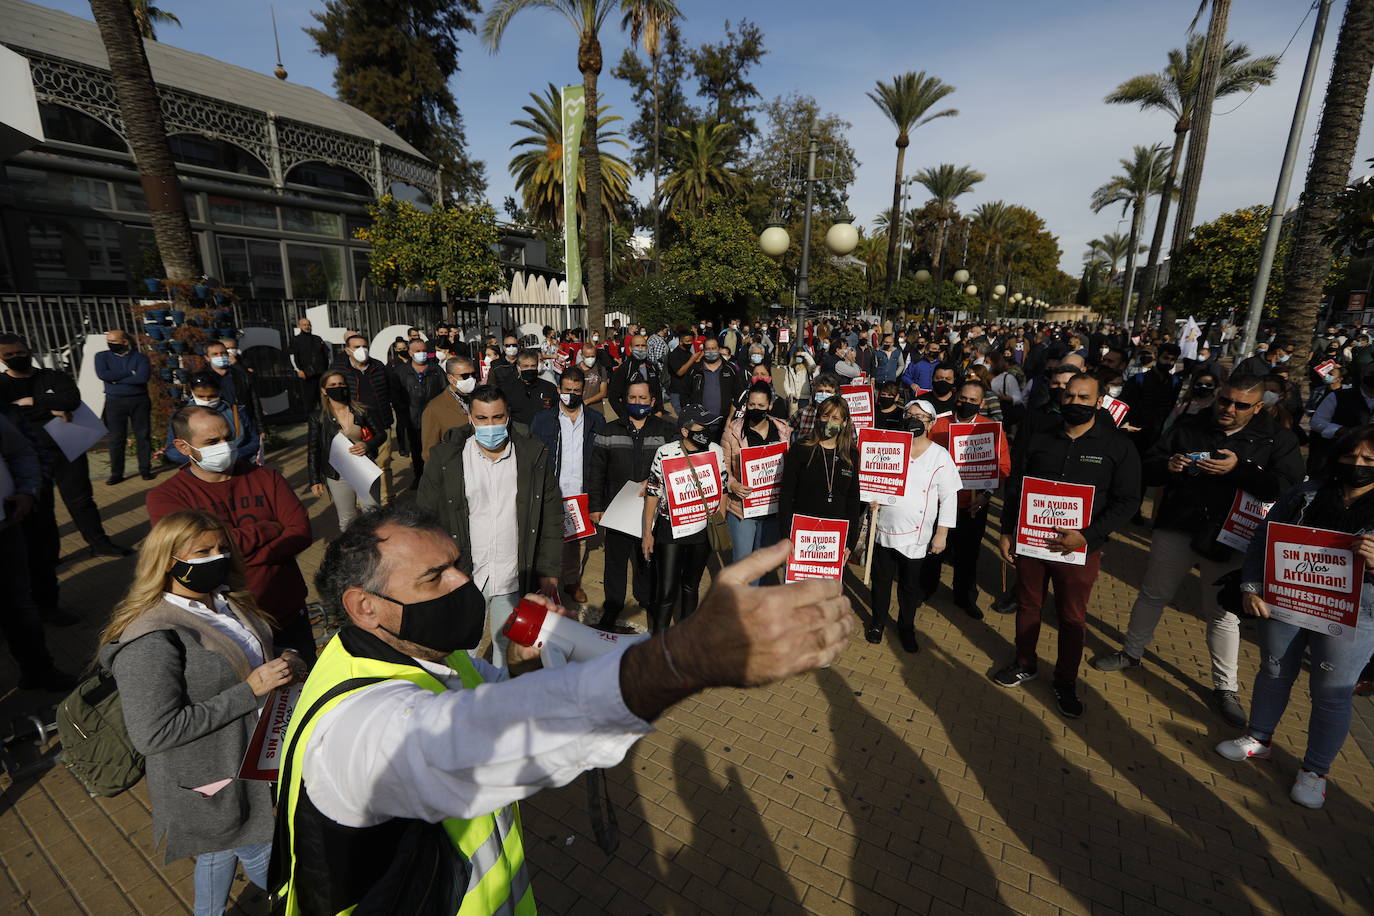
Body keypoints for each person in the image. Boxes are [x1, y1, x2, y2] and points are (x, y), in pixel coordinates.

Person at [270, 505, 851, 915]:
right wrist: (683, 661)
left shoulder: (432, 654)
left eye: (458, 563)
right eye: (435, 577)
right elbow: (473, 736)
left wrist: (524, 668)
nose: (465, 582)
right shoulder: (352, 728)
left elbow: (490, 697)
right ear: (366, 607)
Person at [101, 510, 305, 916]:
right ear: (168, 560)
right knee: (276, 868)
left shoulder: (224, 602)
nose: (218, 558)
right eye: (203, 551)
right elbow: (153, 733)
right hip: (214, 780)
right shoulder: (152, 637)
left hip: (251, 762)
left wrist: (286, 661)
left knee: (219, 852)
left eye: (223, 548)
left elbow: (246, 661)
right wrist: (251, 690)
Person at [1090, 376, 1304, 726]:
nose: (1228, 409)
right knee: (1153, 593)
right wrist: (1169, 466)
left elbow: (1287, 488)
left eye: (1240, 405)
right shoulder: (1191, 424)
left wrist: (1241, 470)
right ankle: (1131, 652)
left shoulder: (1277, 438)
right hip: (1179, 523)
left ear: (1259, 407)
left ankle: (1225, 687)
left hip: (1232, 536)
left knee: (1222, 613)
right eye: (1224, 401)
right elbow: (1150, 464)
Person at [1215, 426, 1374, 810]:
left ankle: (1315, 770)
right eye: (1351, 456)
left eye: (1369, 460)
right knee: (1273, 671)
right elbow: (1262, 536)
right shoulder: (1308, 493)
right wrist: (1251, 586)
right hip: (1287, 599)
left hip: (1355, 612)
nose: (1358, 465)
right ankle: (1259, 738)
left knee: (1331, 694)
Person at [994, 373, 1141, 717]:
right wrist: (1007, 530)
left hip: (1079, 550)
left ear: (1099, 401)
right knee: (1029, 606)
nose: (1074, 403)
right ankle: (1025, 662)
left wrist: (1088, 536)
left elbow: (1128, 501)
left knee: (1072, 617)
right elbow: (1017, 486)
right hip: (1032, 543)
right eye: (1070, 396)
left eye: (1084, 398)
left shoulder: (1118, 446)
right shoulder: (1042, 437)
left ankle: (1065, 681)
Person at [148, 406, 316, 659]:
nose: (225, 446)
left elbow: (300, 532)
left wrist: (229, 556)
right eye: (212, 441)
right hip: (223, 627)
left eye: (228, 437)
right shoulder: (166, 497)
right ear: (184, 448)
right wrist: (268, 529)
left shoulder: (267, 477)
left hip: (286, 613)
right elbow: (191, 552)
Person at [418, 386, 561, 670]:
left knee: (506, 645)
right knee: (462, 647)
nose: (491, 426)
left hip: (512, 571)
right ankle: (465, 705)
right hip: (465, 573)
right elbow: (424, 518)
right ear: (470, 418)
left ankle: (501, 701)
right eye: (482, 419)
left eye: (498, 417)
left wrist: (549, 570)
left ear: (508, 416)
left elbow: (551, 515)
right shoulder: (446, 458)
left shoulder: (532, 455)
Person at [0, 334, 131, 617]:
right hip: (30, 460)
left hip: (66, 447)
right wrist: (48, 406)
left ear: (29, 350)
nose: (15, 357)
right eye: (8, 355)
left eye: (19, 352)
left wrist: (30, 402)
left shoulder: (53, 376)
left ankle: (99, 543)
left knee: (81, 499)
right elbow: (9, 415)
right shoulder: (1, 385)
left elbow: (70, 399)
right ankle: (50, 562)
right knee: (41, 515)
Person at [869, 401, 960, 653]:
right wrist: (871, 497)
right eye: (910, 415)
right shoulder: (890, 447)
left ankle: (906, 627)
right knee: (881, 580)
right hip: (884, 528)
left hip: (917, 534)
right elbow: (874, 479)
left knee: (909, 587)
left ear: (931, 423)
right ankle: (877, 622)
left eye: (920, 416)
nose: (914, 419)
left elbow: (949, 496)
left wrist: (941, 534)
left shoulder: (940, 456)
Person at [586, 380, 675, 630]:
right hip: (617, 509)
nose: (638, 403)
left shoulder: (666, 430)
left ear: (652, 401)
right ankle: (612, 605)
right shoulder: (609, 430)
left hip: (653, 509)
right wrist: (595, 506)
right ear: (625, 400)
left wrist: (655, 481)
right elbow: (596, 471)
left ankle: (646, 599)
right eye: (633, 398)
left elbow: (673, 464)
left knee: (647, 557)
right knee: (615, 561)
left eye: (643, 398)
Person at [923, 381, 1012, 618]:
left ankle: (964, 596)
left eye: (973, 400)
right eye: (963, 398)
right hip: (938, 503)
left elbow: (1003, 467)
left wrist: (986, 495)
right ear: (956, 397)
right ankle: (926, 588)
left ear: (982, 403)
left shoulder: (992, 429)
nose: (967, 403)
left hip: (973, 504)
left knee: (968, 554)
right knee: (933, 551)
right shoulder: (939, 425)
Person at [0, 410, 74, 690]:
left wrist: (28, 490)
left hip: (5, 529)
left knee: (18, 605)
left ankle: (38, 672)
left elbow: (21, 452)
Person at [642, 405, 728, 633]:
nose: (708, 430)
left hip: (702, 530)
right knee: (667, 590)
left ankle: (685, 637)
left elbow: (724, 488)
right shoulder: (665, 452)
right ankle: (657, 644)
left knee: (691, 586)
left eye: (710, 426)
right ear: (685, 430)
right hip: (671, 529)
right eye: (703, 426)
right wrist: (647, 533)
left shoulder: (716, 451)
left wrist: (719, 521)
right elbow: (652, 493)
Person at [530, 366, 606, 606]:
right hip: (552, 492)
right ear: (558, 390)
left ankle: (571, 583)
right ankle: (546, 586)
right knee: (548, 541)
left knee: (575, 544)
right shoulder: (543, 420)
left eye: (576, 390)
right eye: (567, 390)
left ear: (583, 391)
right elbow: (533, 457)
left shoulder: (596, 420)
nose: (571, 394)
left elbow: (601, 460)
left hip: (580, 493)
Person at [777, 395, 864, 567]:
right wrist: (787, 536)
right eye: (825, 416)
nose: (829, 421)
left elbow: (853, 500)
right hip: (802, 532)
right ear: (818, 418)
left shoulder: (851, 455)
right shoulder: (801, 449)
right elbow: (787, 494)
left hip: (834, 537)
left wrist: (850, 542)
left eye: (835, 418)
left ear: (844, 422)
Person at [722, 382, 793, 578]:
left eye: (761, 406)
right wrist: (733, 484)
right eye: (752, 405)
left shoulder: (783, 431)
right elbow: (723, 467)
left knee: (764, 565)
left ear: (770, 406)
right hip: (742, 509)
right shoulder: (732, 432)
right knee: (743, 564)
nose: (756, 409)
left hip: (771, 508)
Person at [307, 370, 388, 530]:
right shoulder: (318, 417)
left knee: (373, 515)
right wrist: (314, 479)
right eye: (333, 385)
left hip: (364, 468)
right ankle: (352, 553)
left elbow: (381, 435)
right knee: (347, 520)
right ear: (324, 390)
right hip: (337, 475)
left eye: (341, 384)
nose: (338, 388)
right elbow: (313, 449)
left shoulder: (362, 410)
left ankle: (375, 552)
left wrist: (367, 445)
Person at [338, 333, 397, 504]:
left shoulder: (378, 366)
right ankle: (362, 501)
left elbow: (390, 390)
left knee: (383, 465)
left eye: (365, 346)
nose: (362, 350)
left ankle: (386, 502)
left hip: (381, 423)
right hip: (355, 425)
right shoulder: (342, 371)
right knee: (357, 466)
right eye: (357, 347)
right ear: (347, 350)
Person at [163, 372, 260, 466]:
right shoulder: (182, 416)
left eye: (212, 396)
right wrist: (203, 459)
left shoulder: (236, 412)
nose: (206, 400)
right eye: (200, 396)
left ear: (220, 391)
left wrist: (234, 455)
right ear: (192, 391)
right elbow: (172, 451)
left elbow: (254, 441)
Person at [96, 328, 154, 483]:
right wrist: (130, 373)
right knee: (116, 438)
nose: (110, 344)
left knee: (143, 436)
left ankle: (145, 469)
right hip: (115, 402)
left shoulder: (140, 358)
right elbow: (103, 375)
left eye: (114, 341)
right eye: (108, 341)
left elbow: (142, 378)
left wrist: (115, 380)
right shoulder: (101, 357)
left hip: (139, 401)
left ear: (125, 341)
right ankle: (116, 473)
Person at [389, 338, 446, 487]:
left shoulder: (436, 370)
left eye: (424, 351)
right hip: (412, 417)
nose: (422, 354)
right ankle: (419, 476)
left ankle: (436, 477)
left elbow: (445, 391)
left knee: (436, 447)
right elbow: (395, 394)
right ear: (410, 352)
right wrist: (403, 413)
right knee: (416, 448)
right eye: (418, 351)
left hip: (434, 417)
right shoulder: (401, 372)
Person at [420, 355, 475, 462]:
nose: (471, 379)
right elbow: (429, 453)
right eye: (465, 376)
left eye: (473, 374)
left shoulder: (481, 398)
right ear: (450, 378)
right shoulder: (434, 409)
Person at [607, 333, 665, 418]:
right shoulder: (624, 369)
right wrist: (625, 416)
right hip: (631, 416)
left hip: (652, 416)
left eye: (643, 346)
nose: (640, 349)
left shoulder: (652, 367)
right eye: (637, 346)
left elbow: (657, 391)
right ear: (630, 348)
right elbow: (613, 397)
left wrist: (659, 410)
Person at [685, 337, 743, 421]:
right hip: (699, 421)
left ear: (719, 349)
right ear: (703, 350)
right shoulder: (694, 370)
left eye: (713, 348)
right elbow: (685, 393)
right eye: (708, 348)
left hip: (724, 420)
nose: (711, 351)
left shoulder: (730, 369)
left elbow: (738, 392)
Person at [501, 351, 559, 429]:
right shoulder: (508, 390)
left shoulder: (549, 388)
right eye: (525, 366)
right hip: (519, 436)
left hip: (543, 436)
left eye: (533, 366)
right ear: (518, 368)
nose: (529, 369)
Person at [289, 317, 331, 405]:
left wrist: (327, 370)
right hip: (306, 374)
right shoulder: (296, 340)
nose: (307, 326)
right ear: (299, 326)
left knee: (323, 397)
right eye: (304, 325)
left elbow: (326, 355)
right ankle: (310, 417)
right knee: (309, 398)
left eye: (308, 325)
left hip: (321, 373)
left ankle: (324, 416)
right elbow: (292, 355)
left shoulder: (317, 338)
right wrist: (298, 370)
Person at [789, 371, 842, 441]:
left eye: (828, 392)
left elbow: (851, 440)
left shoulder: (841, 415)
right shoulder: (804, 412)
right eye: (820, 391)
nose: (824, 394)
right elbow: (787, 427)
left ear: (835, 394)